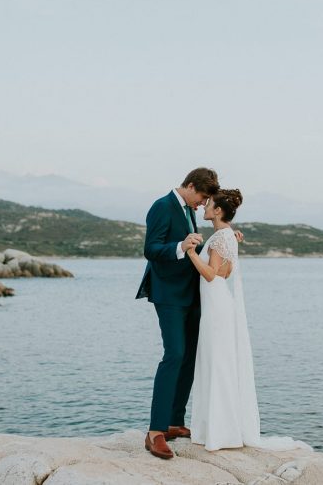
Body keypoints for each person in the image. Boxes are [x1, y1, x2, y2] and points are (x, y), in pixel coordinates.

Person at [186, 189, 308, 452]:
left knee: (217, 363)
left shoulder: (221, 238)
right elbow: (225, 272)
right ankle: (220, 428)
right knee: (220, 363)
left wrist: (192, 253)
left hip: (216, 307)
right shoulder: (228, 236)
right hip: (220, 304)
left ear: (218, 211)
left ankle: (219, 431)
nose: (205, 206)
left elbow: (211, 275)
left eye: (209, 204)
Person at [135, 168, 217, 460]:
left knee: (189, 355)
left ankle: (174, 421)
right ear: (191, 185)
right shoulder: (161, 206)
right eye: (202, 197)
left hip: (190, 292)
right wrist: (179, 246)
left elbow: (191, 248)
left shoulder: (187, 209)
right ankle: (155, 432)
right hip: (168, 293)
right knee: (174, 354)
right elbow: (151, 249)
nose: (201, 203)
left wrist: (224, 238)